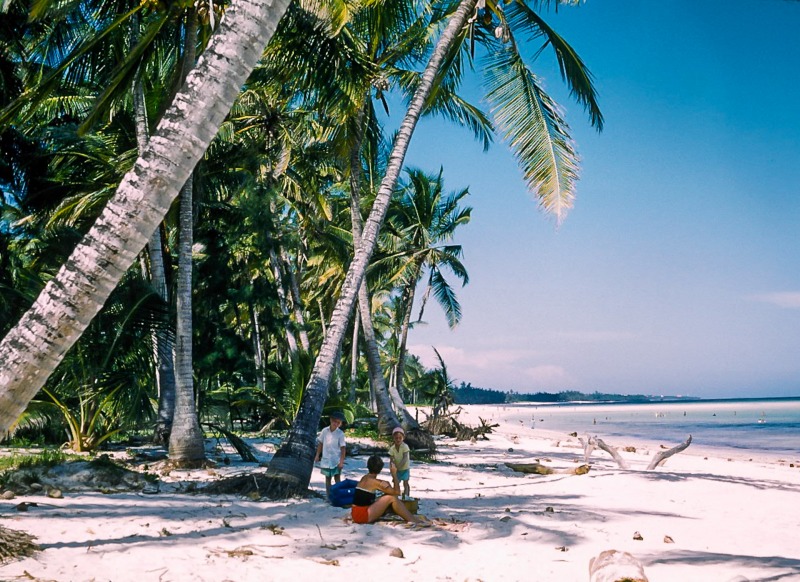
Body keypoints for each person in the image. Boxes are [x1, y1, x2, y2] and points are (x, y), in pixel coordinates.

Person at [351, 455, 425, 525]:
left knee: (385, 496)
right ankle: (412, 519)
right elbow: (397, 492)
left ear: (368, 466)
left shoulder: (364, 478)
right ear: (380, 469)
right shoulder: (377, 483)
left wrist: (385, 484)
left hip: (355, 513)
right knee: (392, 498)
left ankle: (406, 515)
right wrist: (394, 474)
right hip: (362, 516)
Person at [314, 411, 346, 497]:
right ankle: (329, 496)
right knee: (327, 479)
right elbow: (321, 443)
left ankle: (339, 495)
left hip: (336, 460)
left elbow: (343, 448)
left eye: (338, 423)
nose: (336, 424)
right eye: (335, 421)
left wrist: (341, 462)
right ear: (331, 420)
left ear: (340, 424)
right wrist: (317, 455)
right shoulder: (324, 431)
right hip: (326, 459)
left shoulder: (340, 434)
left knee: (337, 478)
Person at [388, 426, 411, 499]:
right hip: (397, 469)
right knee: (396, 482)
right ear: (393, 438)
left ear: (403, 438)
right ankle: (396, 495)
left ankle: (407, 496)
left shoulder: (405, 447)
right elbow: (391, 460)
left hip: (405, 468)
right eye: (396, 438)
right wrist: (392, 469)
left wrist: (398, 467)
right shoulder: (392, 448)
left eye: (400, 438)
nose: (398, 440)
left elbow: (405, 458)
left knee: (406, 483)